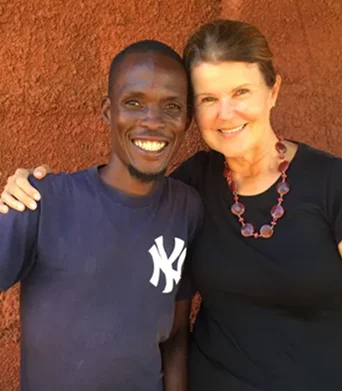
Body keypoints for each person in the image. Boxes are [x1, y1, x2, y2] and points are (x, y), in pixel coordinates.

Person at [2, 19, 342, 391]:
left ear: (272, 91)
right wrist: (28, 190)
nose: (226, 113)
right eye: (208, 98)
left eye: (241, 92)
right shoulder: (193, 185)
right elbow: (117, 205)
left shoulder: (337, 183)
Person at [0, 40, 203, 391]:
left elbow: (175, 334)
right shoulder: (42, 201)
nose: (152, 122)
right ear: (108, 112)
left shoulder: (187, 207)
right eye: (134, 103)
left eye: (171, 106)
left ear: (187, 119)